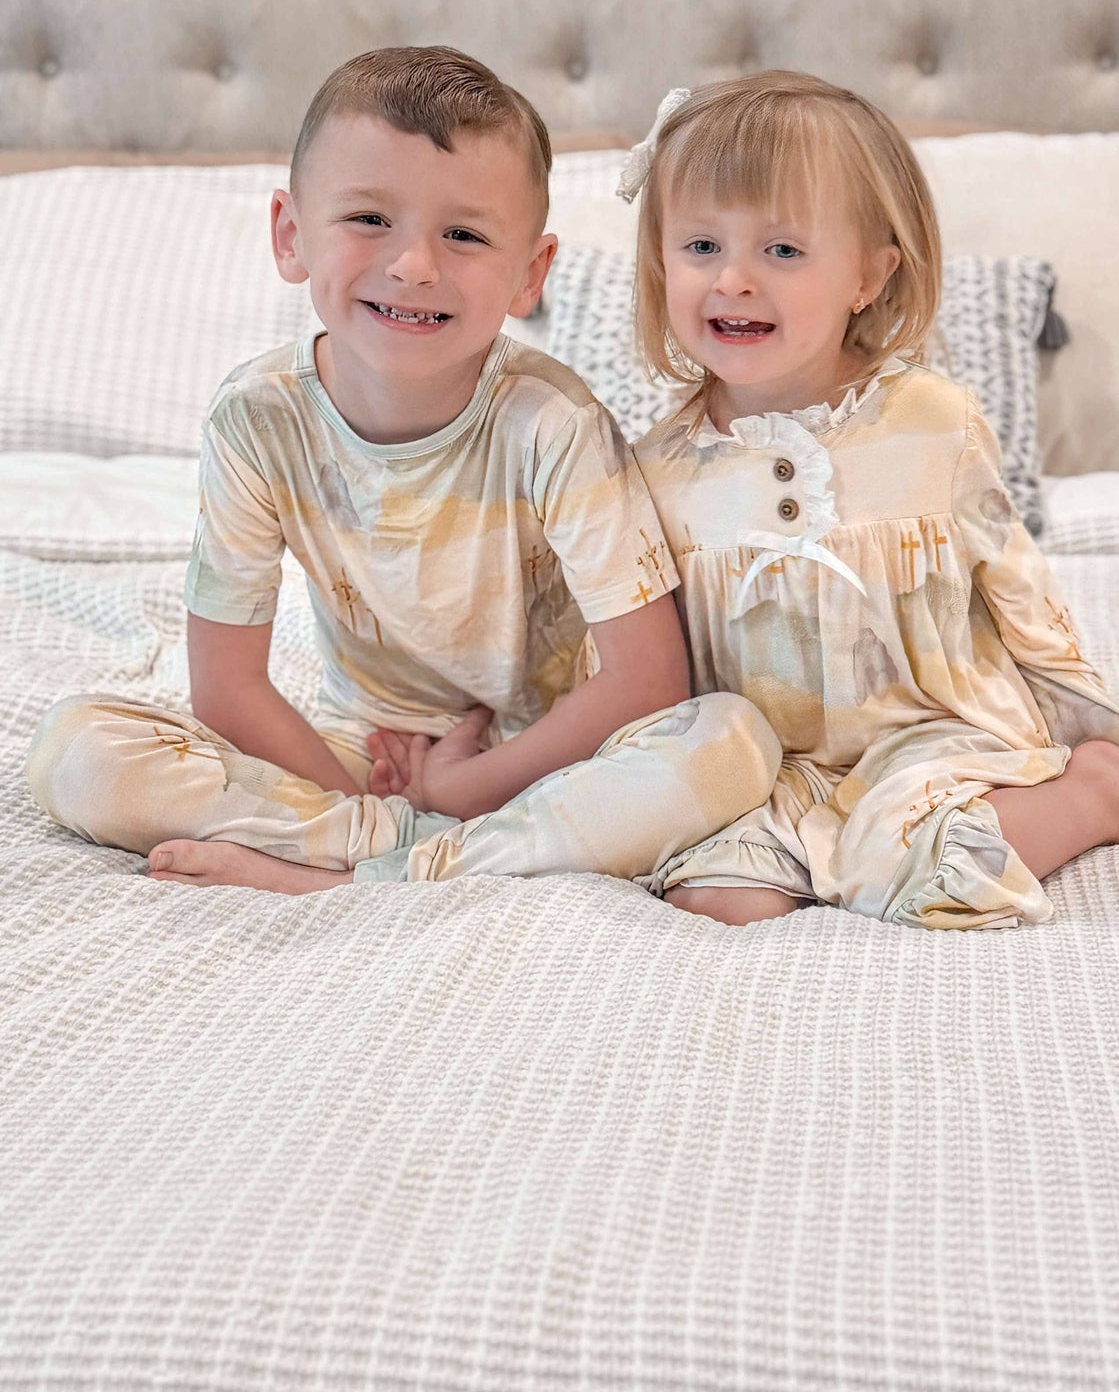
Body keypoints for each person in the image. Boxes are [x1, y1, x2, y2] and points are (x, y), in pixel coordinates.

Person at [25, 47, 777, 892]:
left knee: (731, 742)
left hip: (548, 757)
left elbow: (648, 679)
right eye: (369, 219)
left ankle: (349, 871)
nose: (415, 265)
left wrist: (463, 789)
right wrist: (361, 804)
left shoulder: (553, 424)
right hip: (356, 754)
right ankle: (412, 857)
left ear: (530, 273)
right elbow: (229, 687)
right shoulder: (257, 418)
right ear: (290, 235)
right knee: (77, 753)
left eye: (464, 235)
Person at [622, 72, 1119, 928]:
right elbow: (632, 650)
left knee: (925, 872)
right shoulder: (656, 468)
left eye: (783, 251)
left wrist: (1091, 728)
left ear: (870, 274)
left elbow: (1019, 594)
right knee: (718, 899)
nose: (734, 280)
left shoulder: (934, 424)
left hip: (927, 739)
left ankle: (1099, 795)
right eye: (700, 246)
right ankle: (816, 853)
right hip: (763, 766)